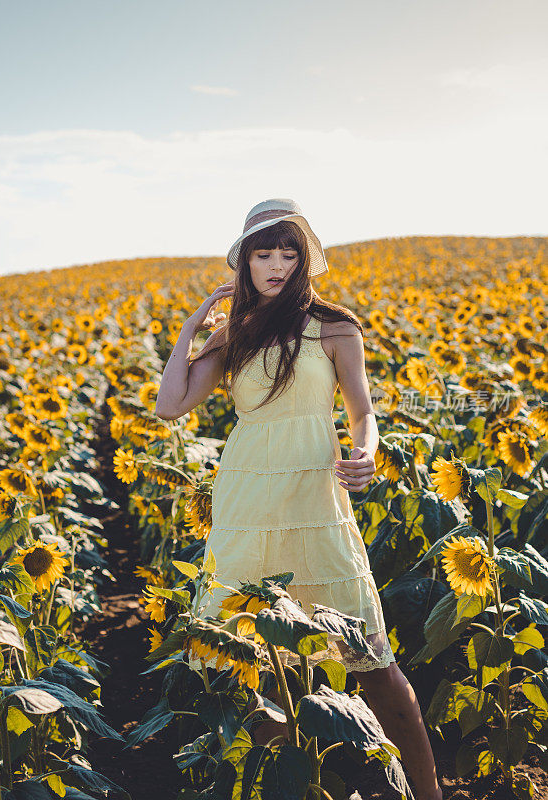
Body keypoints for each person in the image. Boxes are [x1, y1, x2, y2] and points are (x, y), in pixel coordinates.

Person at [155, 199, 442, 800]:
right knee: (256, 661)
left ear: (306, 259)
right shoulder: (237, 333)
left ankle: (429, 792)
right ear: (246, 264)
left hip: (315, 496)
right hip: (247, 499)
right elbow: (172, 404)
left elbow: (362, 411)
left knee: (370, 657)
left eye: (290, 252)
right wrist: (192, 329)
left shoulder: (336, 327)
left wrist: (365, 451)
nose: (278, 264)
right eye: (265, 254)